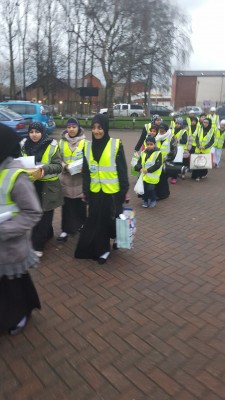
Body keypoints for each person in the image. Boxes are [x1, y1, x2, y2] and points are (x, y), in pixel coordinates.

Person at [0, 124, 42, 335]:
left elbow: (33, 213)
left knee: (13, 288)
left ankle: (19, 315)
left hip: (12, 247)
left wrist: (4, 231)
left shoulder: (16, 175)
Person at [75, 114, 129, 265]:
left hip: (112, 193)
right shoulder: (87, 146)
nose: (96, 131)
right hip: (95, 192)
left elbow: (122, 170)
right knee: (96, 222)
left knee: (108, 221)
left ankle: (110, 243)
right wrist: (86, 191)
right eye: (93, 128)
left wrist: (123, 191)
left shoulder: (116, 144)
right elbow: (86, 171)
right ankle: (102, 248)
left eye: (100, 128)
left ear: (105, 128)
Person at [20, 122, 63, 257]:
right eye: (31, 132)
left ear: (42, 132)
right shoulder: (24, 145)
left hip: (48, 187)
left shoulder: (52, 146)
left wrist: (44, 169)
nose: (34, 135)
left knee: (45, 217)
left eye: (37, 132)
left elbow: (58, 166)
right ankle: (47, 234)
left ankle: (38, 246)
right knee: (35, 215)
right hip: (32, 186)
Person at [57, 118, 87, 241]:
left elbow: (89, 159)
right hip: (66, 179)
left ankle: (82, 225)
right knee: (66, 206)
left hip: (80, 180)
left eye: (74, 127)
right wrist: (65, 166)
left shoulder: (85, 142)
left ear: (78, 128)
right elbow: (57, 159)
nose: (71, 129)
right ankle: (65, 230)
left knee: (81, 205)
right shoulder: (61, 143)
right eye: (69, 127)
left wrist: (83, 167)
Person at [134, 136, 162, 208]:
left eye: (151, 144)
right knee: (145, 189)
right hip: (144, 176)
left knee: (150, 188)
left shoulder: (158, 153)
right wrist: (139, 168)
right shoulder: (143, 152)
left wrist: (148, 170)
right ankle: (145, 200)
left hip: (152, 176)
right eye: (148, 144)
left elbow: (158, 165)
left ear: (154, 144)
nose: (149, 146)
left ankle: (153, 200)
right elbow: (139, 162)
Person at [154, 123, 177, 199]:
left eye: (163, 131)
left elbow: (174, 151)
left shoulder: (171, 137)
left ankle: (163, 194)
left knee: (163, 178)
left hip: (166, 161)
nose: (161, 132)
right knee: (159, 178)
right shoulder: (157, 137)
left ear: (166, 131)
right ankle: (163, 193)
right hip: (157, 162)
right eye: (160, 131)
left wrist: (166, 158)